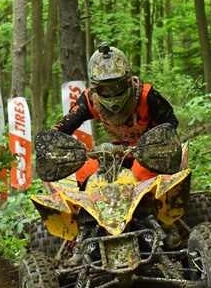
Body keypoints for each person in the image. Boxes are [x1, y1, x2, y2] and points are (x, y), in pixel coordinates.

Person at [54, 42, 179, 185]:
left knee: (140, 173)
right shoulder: (90, 100)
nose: (111, 92)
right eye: (105, 89)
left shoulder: (145, 95)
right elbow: (65, 126)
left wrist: (157, 144)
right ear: (95, 88)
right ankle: (89, 199)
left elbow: (170, 122)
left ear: (127, 82)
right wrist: (53, 143)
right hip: (117, 151)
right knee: (85, 171)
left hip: (149, 152)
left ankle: (147, 199)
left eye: (117, 86)